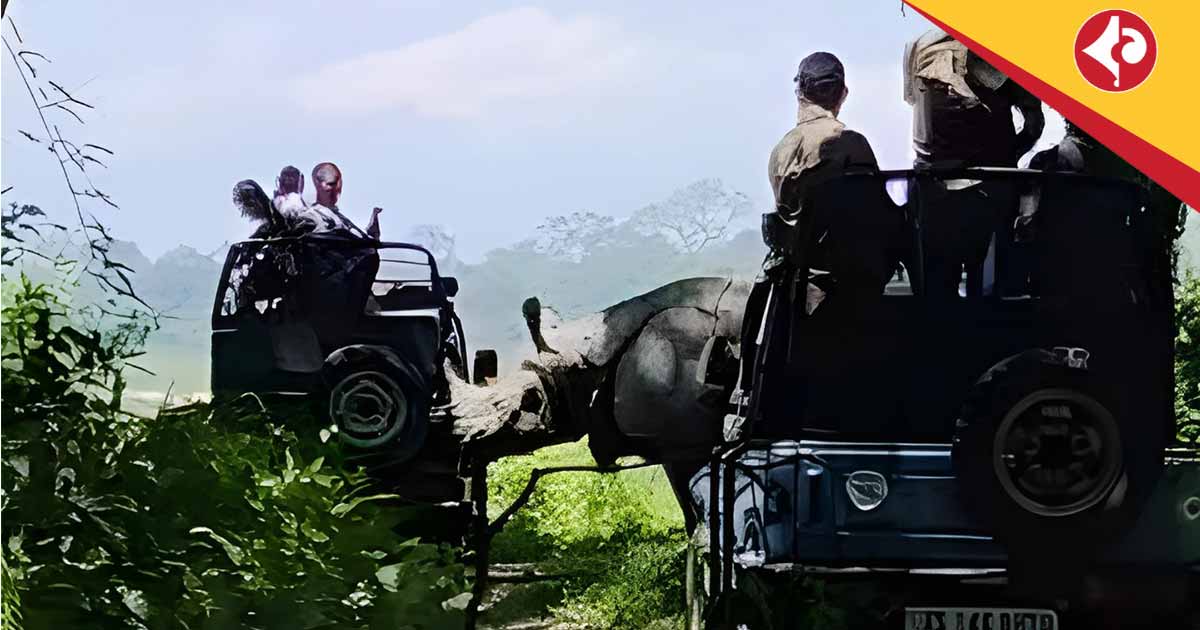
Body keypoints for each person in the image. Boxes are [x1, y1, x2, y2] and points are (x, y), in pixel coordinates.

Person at [903, 28, 1044, 168]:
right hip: (992, 177)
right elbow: (1034, 124)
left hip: (927, 178)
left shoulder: (916, 45)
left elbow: (914, 101)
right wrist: (1009, 155)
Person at [291, 162, 370, 238]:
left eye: (338, 184)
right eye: (331, 184)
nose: (337, 189)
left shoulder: (340, 217)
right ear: (317, 184)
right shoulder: (311, 216)